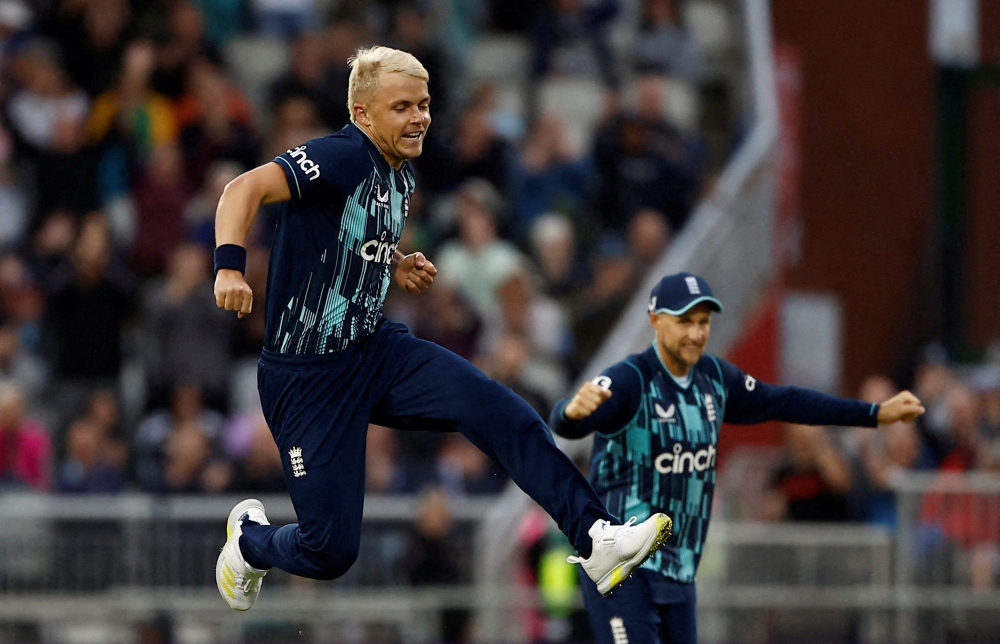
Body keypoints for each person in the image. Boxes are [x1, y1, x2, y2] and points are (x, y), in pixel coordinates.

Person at [211, 46, 672, 612]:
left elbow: (349, 235)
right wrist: (230, 265)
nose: (419, 117)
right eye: (401, 106)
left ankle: (597, 537)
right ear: (362, 114)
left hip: (374, 351)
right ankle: (251, 543)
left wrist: (395, 263)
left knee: (497, 410)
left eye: (424, 104)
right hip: (306, 379)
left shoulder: (400, 175)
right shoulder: (338, 155)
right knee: (330, 550)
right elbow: (242, 190)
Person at [548, 272, 927, 644]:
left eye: (703, 322)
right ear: (656, 321)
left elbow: (786, 401)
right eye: (685, 322)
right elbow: (573, 420)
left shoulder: (715, 379)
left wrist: (873, 413)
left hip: (678, 568)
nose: (697, 333)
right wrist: (570, 412)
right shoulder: (631, 379)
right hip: (623, 568)